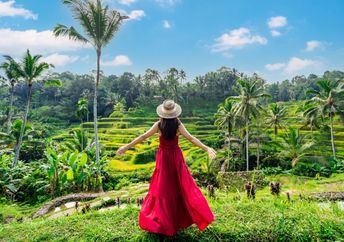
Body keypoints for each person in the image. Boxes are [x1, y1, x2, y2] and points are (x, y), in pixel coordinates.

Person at [116, 99, 216, 236]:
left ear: (162, 113)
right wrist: (206, 148)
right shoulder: (178, 125)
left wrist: (126, 147)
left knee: (163, 187)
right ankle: (178, 219)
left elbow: (144, 136)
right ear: (175, 113)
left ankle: (165, 222)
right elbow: (191, 138)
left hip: (163, 158)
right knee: (179, 185)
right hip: (175, 157)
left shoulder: (159, 125)